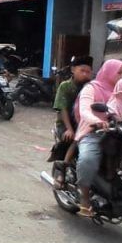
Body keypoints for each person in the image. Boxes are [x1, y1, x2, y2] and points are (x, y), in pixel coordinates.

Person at [74, 59, 122, 217]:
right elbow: (84, 110)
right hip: (93, 132)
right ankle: (84, 195)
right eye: (119, 72)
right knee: (88, 159)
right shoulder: (91, 88)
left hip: (119, 133)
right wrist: (97, 121)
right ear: (109, 72)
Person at [52, 56, 94, 188]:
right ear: (73, 70)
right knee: (73, 140)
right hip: (66, 124)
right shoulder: (65, 86)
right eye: (82, 71)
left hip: (85, 123)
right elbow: (62, 109)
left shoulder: (91, 86)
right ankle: (62, 172)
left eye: (88, 72)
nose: (85, 74)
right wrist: (69, 129)